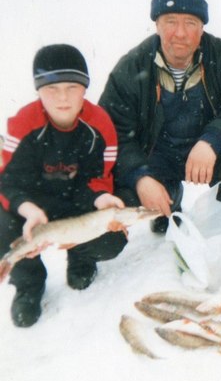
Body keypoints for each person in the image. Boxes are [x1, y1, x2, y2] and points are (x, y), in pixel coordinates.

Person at [99, 0, 221, 257]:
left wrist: (213, 140)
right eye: (171, 21)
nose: (181, 33)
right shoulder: (131, 68)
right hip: (156, 162)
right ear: (157, 24)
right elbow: (112, 134)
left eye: (190, 23)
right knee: (117, 184)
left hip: (208, 163)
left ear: (202, 28)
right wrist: (141, 177)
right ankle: (164, 209)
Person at [0, 44, 128, 327]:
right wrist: (30, 210)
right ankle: (29, 283)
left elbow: (98, 178)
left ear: (85, 89)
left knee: (111, 238)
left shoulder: (100, 126)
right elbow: (8, 181)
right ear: (38, 91)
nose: (62, 97)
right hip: (35, 204)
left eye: (72, 87)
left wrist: (101, 199)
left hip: (77, 201)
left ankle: (80, 257)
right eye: (52, 88)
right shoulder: (23, 123)